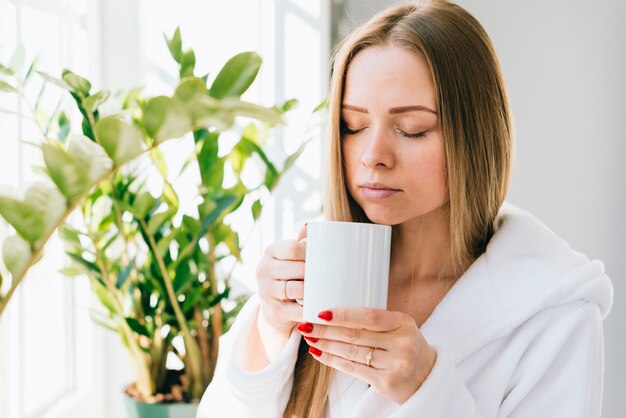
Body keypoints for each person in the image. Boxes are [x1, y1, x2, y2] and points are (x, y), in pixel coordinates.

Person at [197, 1, 613, 417]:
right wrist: (268, 329)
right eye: (352, 126)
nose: (372, 156)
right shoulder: (312, 272)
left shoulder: (554, 311)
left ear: (475, 136)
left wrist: (427, 390)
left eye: (412, 129)